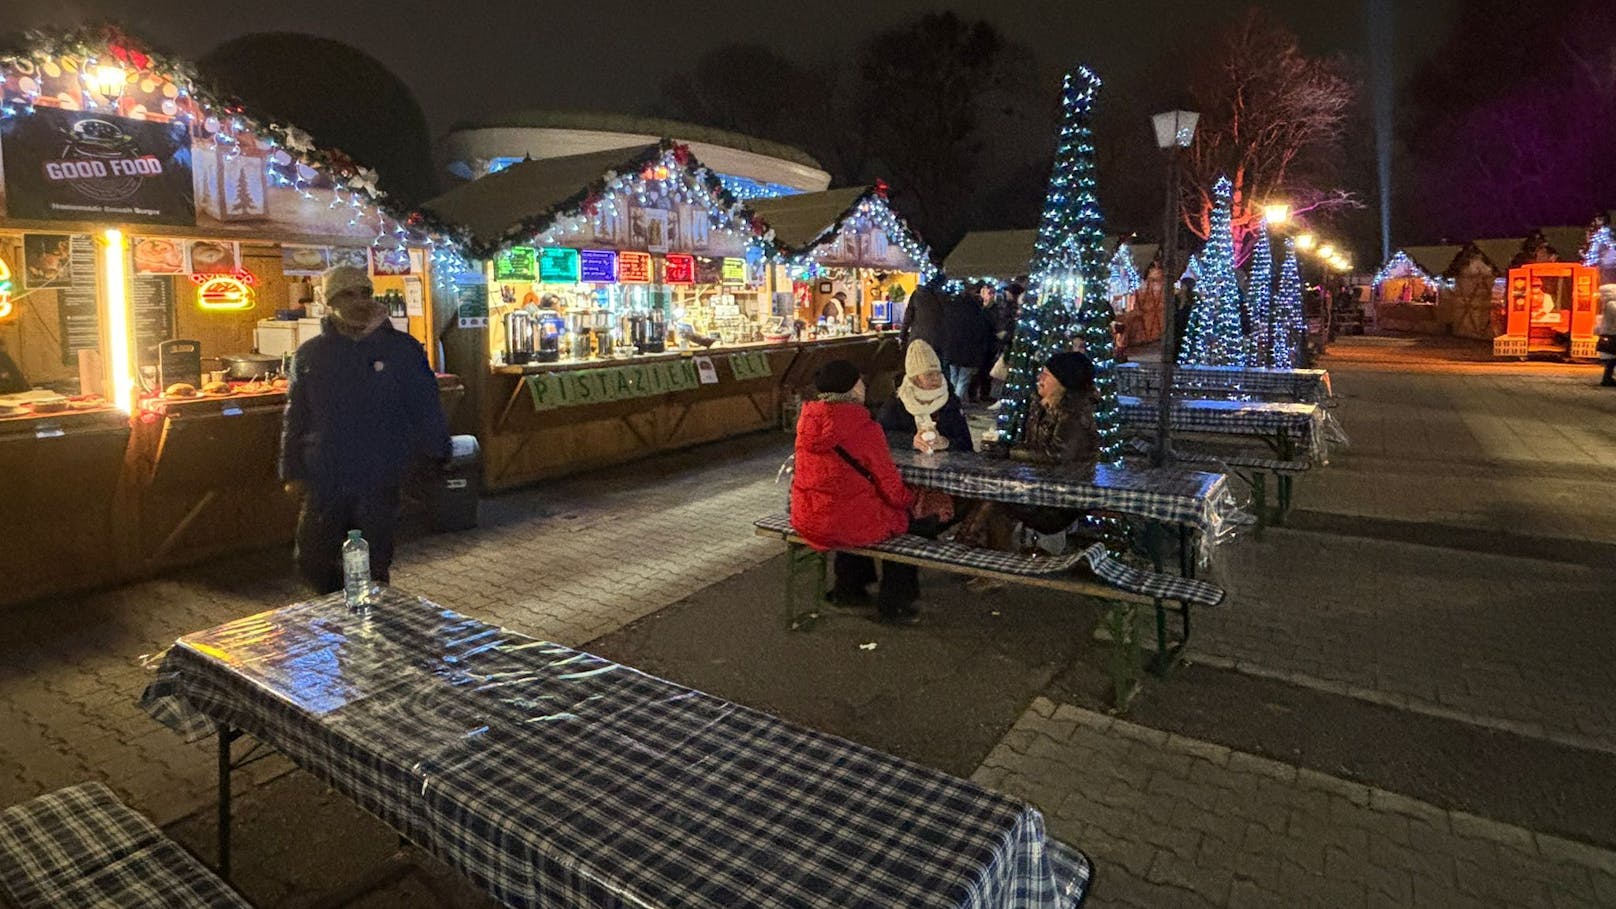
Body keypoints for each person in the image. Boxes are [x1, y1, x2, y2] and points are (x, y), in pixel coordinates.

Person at [281, 265, 451, 594]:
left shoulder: (402, 350)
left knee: (373, 568)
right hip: (326, 477)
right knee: (312, 563)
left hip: (380, 475)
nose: (359, 301)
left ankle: (370, 630)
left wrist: (434, 458)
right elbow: (296, 416)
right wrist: (291, 471)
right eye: (348, 293)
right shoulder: (311, 354)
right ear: (330, 302)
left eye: (365, 293)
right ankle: (335, 623)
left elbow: (427, 406)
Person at [791, 359, 926, 624]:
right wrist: (911, 500)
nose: (864, 385)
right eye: (860, 381)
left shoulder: (807, 422)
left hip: (808, 518)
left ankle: (849, 588)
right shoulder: (864, 428)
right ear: (853, 389)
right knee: (904, 522)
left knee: (848, 505)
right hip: (846, 523)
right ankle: (896, 602)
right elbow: (891, 488)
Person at [952, 351, 1100, 555]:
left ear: (1062, 382)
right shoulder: (1041, 405)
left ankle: (971, 552)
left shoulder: (1075, 415)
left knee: (997, 499)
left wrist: (1009, 452)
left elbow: (1056, 455)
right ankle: (973, 550)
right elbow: (1033, 447)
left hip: (1062, 498)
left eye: (1047, 375)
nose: (1040, 378)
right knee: (990, 492)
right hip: (1039, 486)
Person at [877, 339, 973, 452]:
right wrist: (911, 441)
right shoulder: (897, 402)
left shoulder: (950, 401)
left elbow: (966, 443)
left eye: (938, 373)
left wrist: (946, 443)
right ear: (914, 379)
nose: (935, 379)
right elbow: (880, 436)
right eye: (929, 375)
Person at [940, 282, 995, 403]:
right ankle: (956, 404)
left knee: (954, 378)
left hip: (952, 349)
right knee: (963, 380)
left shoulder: (952, 308)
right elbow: (981, 332)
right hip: (969, 351)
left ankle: (951, 402)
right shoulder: (976, 311)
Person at [969, 283, 1002, 403]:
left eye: (992, 293)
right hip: (981, 343)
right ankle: (973, 394)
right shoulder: (979, 308)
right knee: (978, 371)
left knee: (986, 370)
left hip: (989, 344)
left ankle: (983, 393)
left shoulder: (994, 308)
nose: (990, 295)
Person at [900, 280, 947, 355]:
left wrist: (902, 336)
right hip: (937, 340)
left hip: (917, 339)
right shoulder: (942, 296)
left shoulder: (917, 295)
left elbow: (908, 317)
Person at [1596, 284, 1616, 387]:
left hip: (1610, 333)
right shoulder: (1612, 305)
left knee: (1612, 358)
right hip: (1613, 334)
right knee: (1612, 358)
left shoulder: (1608, 304)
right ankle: (1607, 379)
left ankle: (1607, 378)